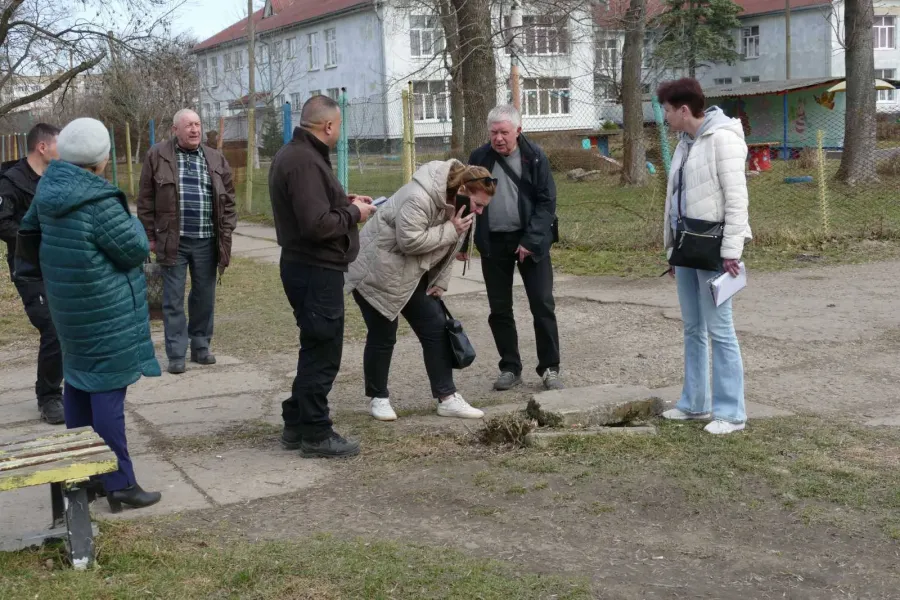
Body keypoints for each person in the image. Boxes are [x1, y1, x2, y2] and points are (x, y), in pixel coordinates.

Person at [18, 117, 162, 510]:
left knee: (79, 383)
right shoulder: (98, 200)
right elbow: (133, 250)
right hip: (105, 309)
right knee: (108, 392)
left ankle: (84, 473)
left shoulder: (49, 187)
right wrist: (131, 217)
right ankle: (118, 482)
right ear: (101, 158)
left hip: (70, 307)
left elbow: (27, 234)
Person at [269, 95, 377, 458]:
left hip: (309, 267)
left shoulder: (298, 154)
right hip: (315, 269)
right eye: (339, 126)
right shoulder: (302, 160)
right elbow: (316, 225)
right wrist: (354, 215)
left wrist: (345, 202)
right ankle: (316, 432)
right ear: (328, 126)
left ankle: (296, 421)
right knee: (323, 353)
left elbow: (312, 205)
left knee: (315, 347)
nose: (339, 132)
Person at [346, 160, 496, 421]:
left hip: (409, 273)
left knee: (437, 328)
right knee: (383, 335)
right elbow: (410, 241)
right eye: (479, 204)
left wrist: (439, 282)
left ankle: (447, 398)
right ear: (463, 188)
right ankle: (378, 398)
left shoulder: (460, 208)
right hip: (376, 271)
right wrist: (451, 229)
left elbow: (450, 247)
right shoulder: (419, 196)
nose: (480, 212)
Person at [657, 78, 752, 435]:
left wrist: (731, 252)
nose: (664, 116)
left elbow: (737, 198)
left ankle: (730, 413)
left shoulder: (723, 138)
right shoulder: (684, 142)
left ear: (684, 110)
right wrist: (672, 249)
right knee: (693, 328)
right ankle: (695, 403)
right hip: (686, 248)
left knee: (720, 330)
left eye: (667, 109)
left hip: (714, 251)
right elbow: (675, 199)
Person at [468, 105, 563, 392]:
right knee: (499, 309)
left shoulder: (534, 157)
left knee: (542, 304)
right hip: (493, 243)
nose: (498, 138)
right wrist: (463, 244)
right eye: (494, 132)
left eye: (504, 132)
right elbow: (468, 200)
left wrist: (530, 241)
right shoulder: (479, 158)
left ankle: (550, 368)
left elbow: (547, 203)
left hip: (530, 243)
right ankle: (510, 367)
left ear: (518, 131)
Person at [137, 108, 237, 375]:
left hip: (207, 240)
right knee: (172, 299)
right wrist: (149, 237)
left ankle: (201, 347)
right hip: (173, 241)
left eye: (197, 124)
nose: (195, 130)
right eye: (188, 125)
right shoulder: (157, 155)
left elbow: (228, 200)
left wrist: (226, 232)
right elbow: (145, 200)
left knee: (204, 296)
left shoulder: (215, 158)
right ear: (175, 130)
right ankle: (176, 353)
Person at [0, 123, 65, 424]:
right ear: (43, 147)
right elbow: (3, 224)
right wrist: (36, 237)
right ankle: (49, 397)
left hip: (61, 265)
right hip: (29, 269)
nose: (62, 149)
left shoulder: (58, 177)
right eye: (58, 144)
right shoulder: (11, 182)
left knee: (67, 328)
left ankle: (70, 389)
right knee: (52, 328)